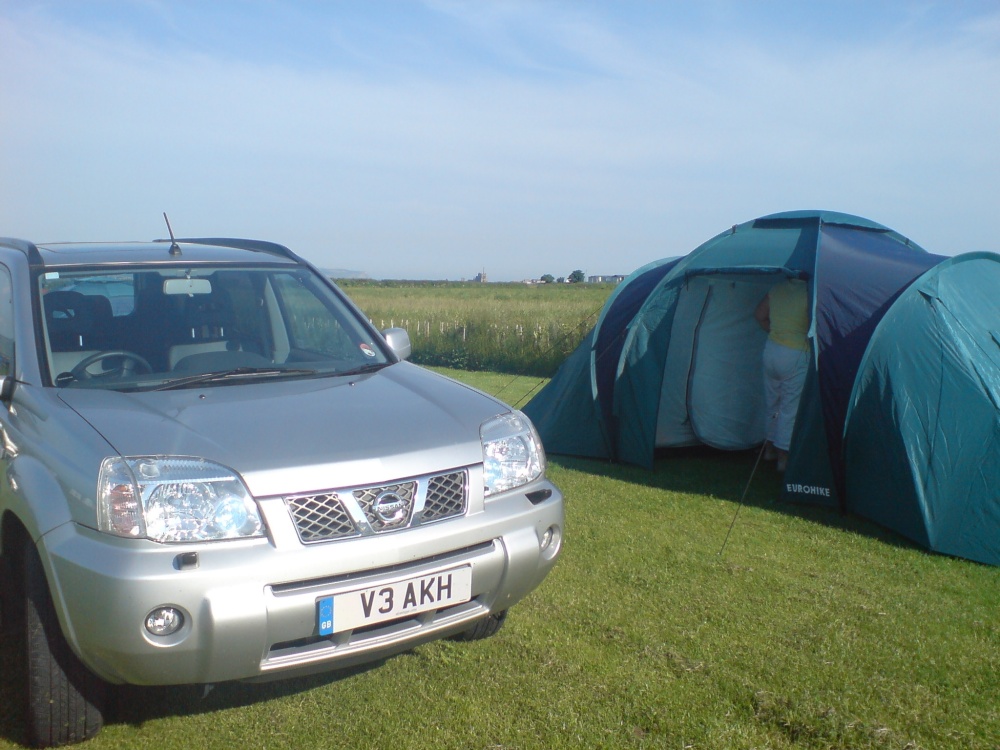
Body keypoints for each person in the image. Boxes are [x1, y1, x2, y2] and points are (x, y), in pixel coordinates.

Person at [754, 277, 809, 471]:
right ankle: (783, 458)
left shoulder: (776, 287)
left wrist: (777, 332)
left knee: (772, 402)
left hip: (771, 348)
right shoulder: (809, 292)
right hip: (795, 352)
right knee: (789, 407)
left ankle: (768, 450)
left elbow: (760, 315)